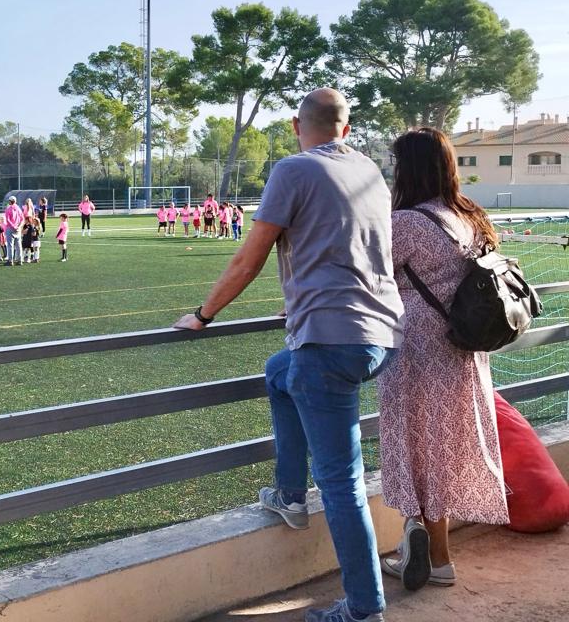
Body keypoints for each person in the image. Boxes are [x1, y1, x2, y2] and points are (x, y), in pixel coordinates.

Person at [173, 88, 403, 622]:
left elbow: (249, 259)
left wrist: (203, 314)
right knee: (280, 373)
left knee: (343, 480)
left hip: (330, 340)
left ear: (298, 126)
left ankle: (365, 608)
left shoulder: (293, 169)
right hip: (383, 336)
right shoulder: (370, 171)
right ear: (345, 130)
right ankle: (289, 494)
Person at [378, 128, 508, 592]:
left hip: (417, 347)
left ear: (406, 168)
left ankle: (418, 541)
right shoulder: (468, 216)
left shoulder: (405, 223)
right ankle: (439, 557)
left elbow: (367, 277)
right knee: (441, 448)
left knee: (413, 442)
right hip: (462, 348)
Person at [4, 196, 25, 265]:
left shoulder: (8, 209)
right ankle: (20, 260)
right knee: (18, 245)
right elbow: (22, 219)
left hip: (10, 228)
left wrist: (13, 226)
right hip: (18, 229)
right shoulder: (19, 208)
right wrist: (19, 226)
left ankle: (10, 261)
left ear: (10, 201)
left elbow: (8, 220)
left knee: (10, 245)